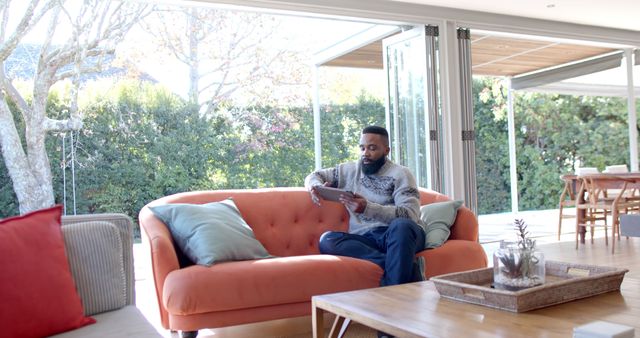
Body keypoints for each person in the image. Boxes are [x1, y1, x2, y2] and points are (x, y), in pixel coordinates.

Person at [304, 125, 426, 287]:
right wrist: (314, 186)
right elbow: (314, 175)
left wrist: (367, 208)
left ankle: (393, 293)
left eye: (372, 148)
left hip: (399, 235)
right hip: (366, 239)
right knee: (327, 240)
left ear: (386, 150)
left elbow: (410, 215)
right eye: (362, 148)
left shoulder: (401, 174)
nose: (365, 153)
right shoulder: (349, 170)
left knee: (402, 226)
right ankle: (407, 267)